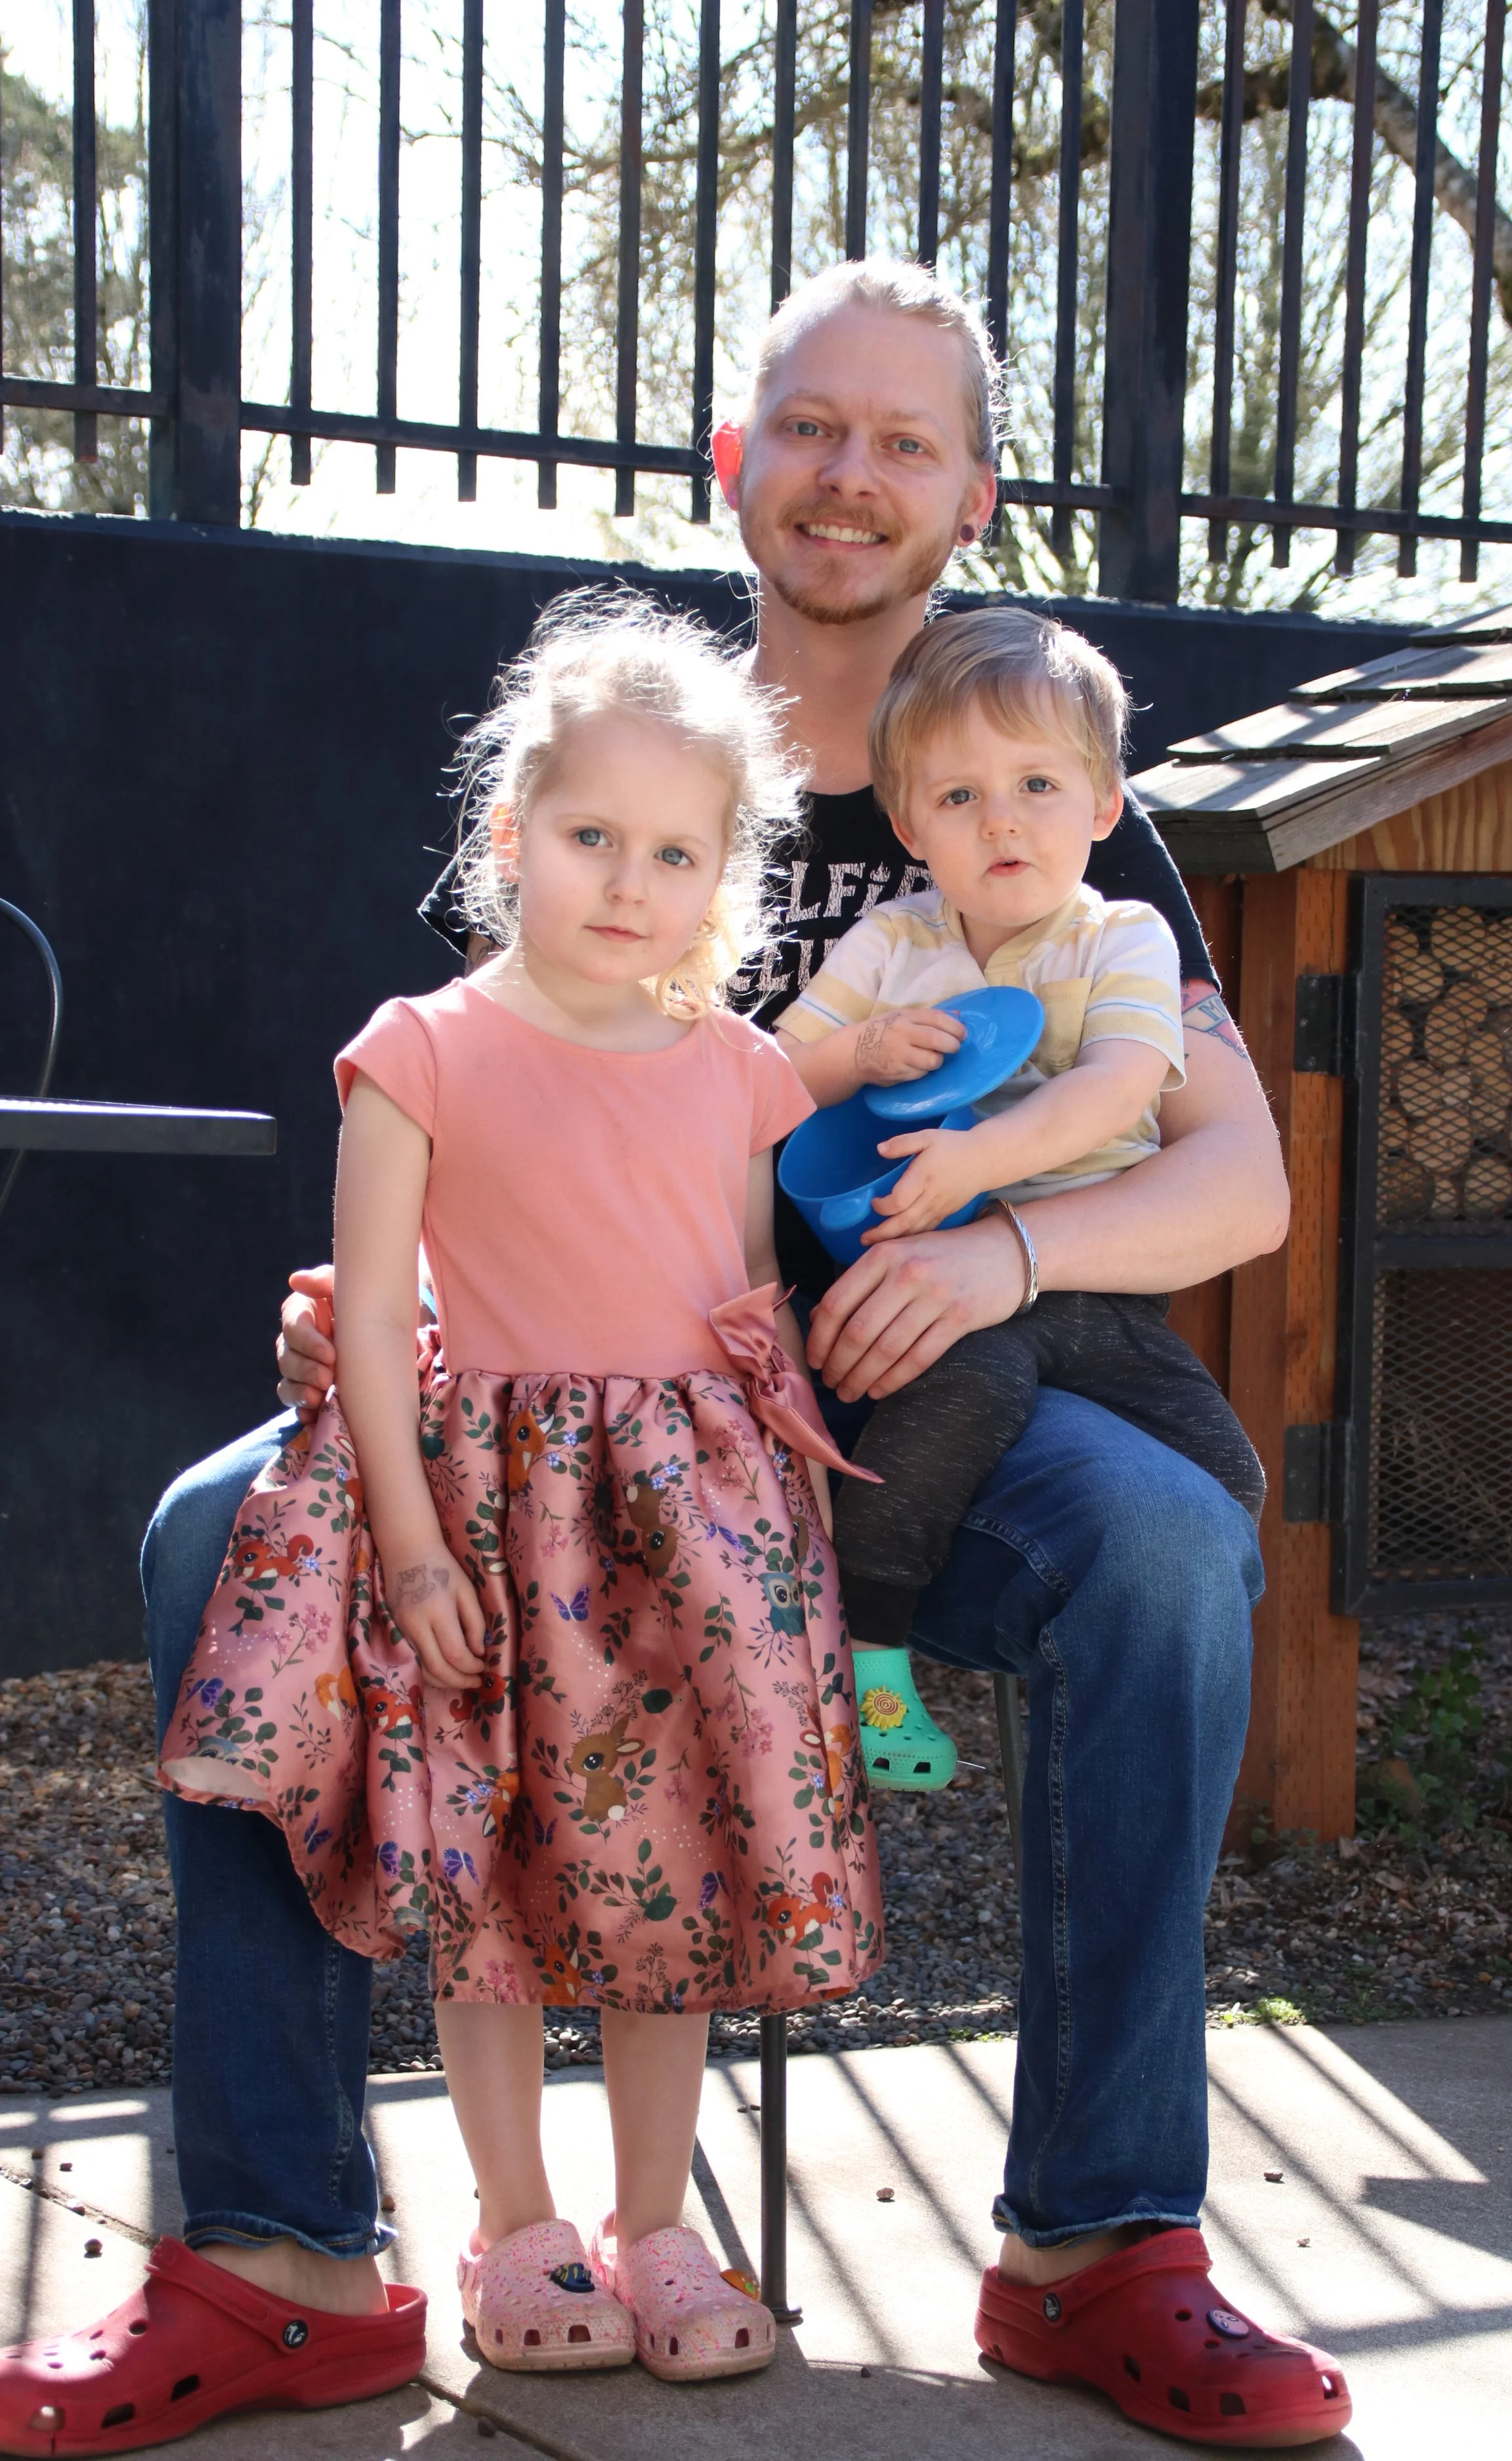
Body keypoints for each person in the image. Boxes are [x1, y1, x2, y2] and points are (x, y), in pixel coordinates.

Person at [0, 258, 1350, 2454]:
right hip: (581, 1402)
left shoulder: (1032, 771)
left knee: (1168, 1548)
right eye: (813, 426)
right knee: (195, 1535)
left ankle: (1099, 2249)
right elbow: (499, 1101)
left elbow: (1240, 1186)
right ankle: (283, 2255)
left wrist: (1007, 1266)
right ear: (734, 465)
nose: (852, 473)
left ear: (971, 494)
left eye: (905, 439)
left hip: (940, 1420)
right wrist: (393, 1306)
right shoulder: (637, 756)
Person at [152, 601, 881, 2387]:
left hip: (682, 1532)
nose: (626, 880)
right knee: (486, 1878)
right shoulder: (421, 1047)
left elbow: (740, 1307)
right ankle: (516, 2215)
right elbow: (379, 1322)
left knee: (671, 1870)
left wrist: (782, 1545)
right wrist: (406, 1546)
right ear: (507, 835)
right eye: (587, 837)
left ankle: (651, 2222)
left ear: (720, 874)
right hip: (490, 1522)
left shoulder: (736, 1068)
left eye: (672, 851)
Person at [776, 607, 1265, 1792]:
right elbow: (774, 1071)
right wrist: (865, 1049)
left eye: (1038, 783)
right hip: (936, 1288)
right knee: (949, 1415)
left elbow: (1118, 1086)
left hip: (1086, 1284)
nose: (1001, 819)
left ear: (1104, 808)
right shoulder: (895, 943)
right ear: (910, 825)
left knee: (1228, 1488)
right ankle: (871, 1648)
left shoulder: (1121, 937)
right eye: (958, 797)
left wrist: (987, 1171)